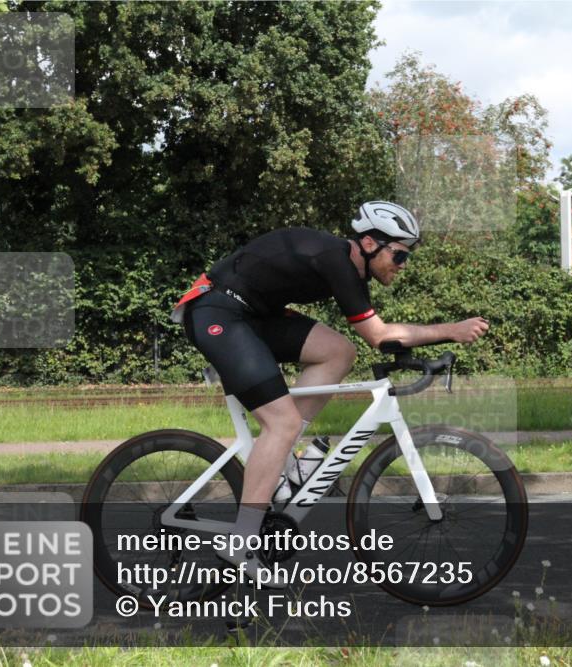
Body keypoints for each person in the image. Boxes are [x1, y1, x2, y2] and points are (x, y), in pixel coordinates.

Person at [172, 201, 489, 584]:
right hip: (216, 310)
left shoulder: (351, 270)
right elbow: (380, 335)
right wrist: (450, 330)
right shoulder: (335, 260)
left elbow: (376, 338)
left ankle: (286, 463)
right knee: (282, 422)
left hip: (253, 315)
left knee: (338, 351)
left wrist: (414, 353)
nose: (403, 264)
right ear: (370, 243)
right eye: (400, 254)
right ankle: (242, 540)